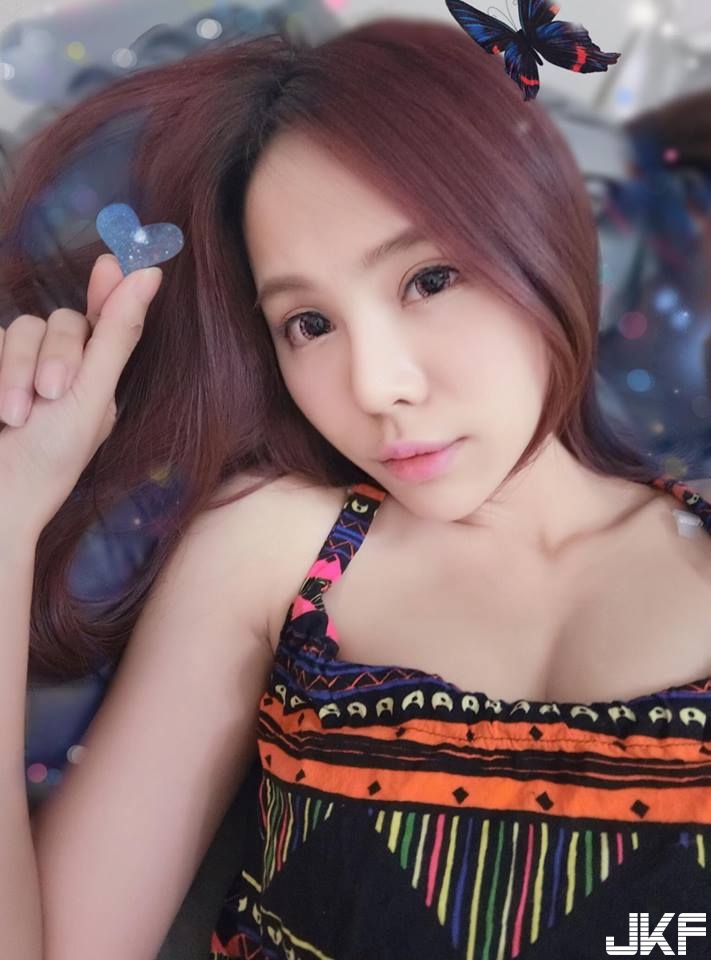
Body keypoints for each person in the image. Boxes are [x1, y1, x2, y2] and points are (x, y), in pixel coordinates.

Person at [1, 16, 711, 960]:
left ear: (542, 232)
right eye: (308, 323)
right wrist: (10, 517)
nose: (375, 387)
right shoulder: (274, 552)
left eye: (429, 279)